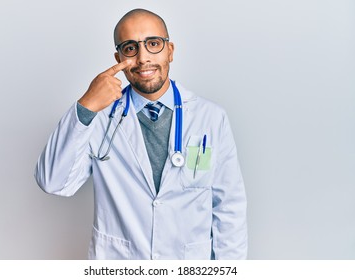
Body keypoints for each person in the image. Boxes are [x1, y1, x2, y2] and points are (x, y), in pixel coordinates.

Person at [35, 8, 247, 260]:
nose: (143, 58)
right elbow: (53, 182)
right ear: (118, 57)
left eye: (153, 44)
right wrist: (86, 105)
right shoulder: (99, 117)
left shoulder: (210, 117)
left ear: (170, 51)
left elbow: (228, 207)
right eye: (130, 48)